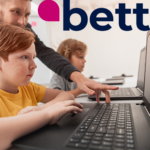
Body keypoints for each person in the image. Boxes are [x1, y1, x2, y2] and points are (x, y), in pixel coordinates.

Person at [0, 0, 119, 103]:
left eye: (27, 15)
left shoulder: (30, 89)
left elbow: (44, 52)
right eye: (16, 12)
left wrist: (80, 78)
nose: (22, 22)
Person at [0, 23, 83, 149]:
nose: (34, 65)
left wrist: (42, 109)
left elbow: (66, 95)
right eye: (24, 57)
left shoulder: (29, 88)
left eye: (33, 57)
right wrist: (47, 115)